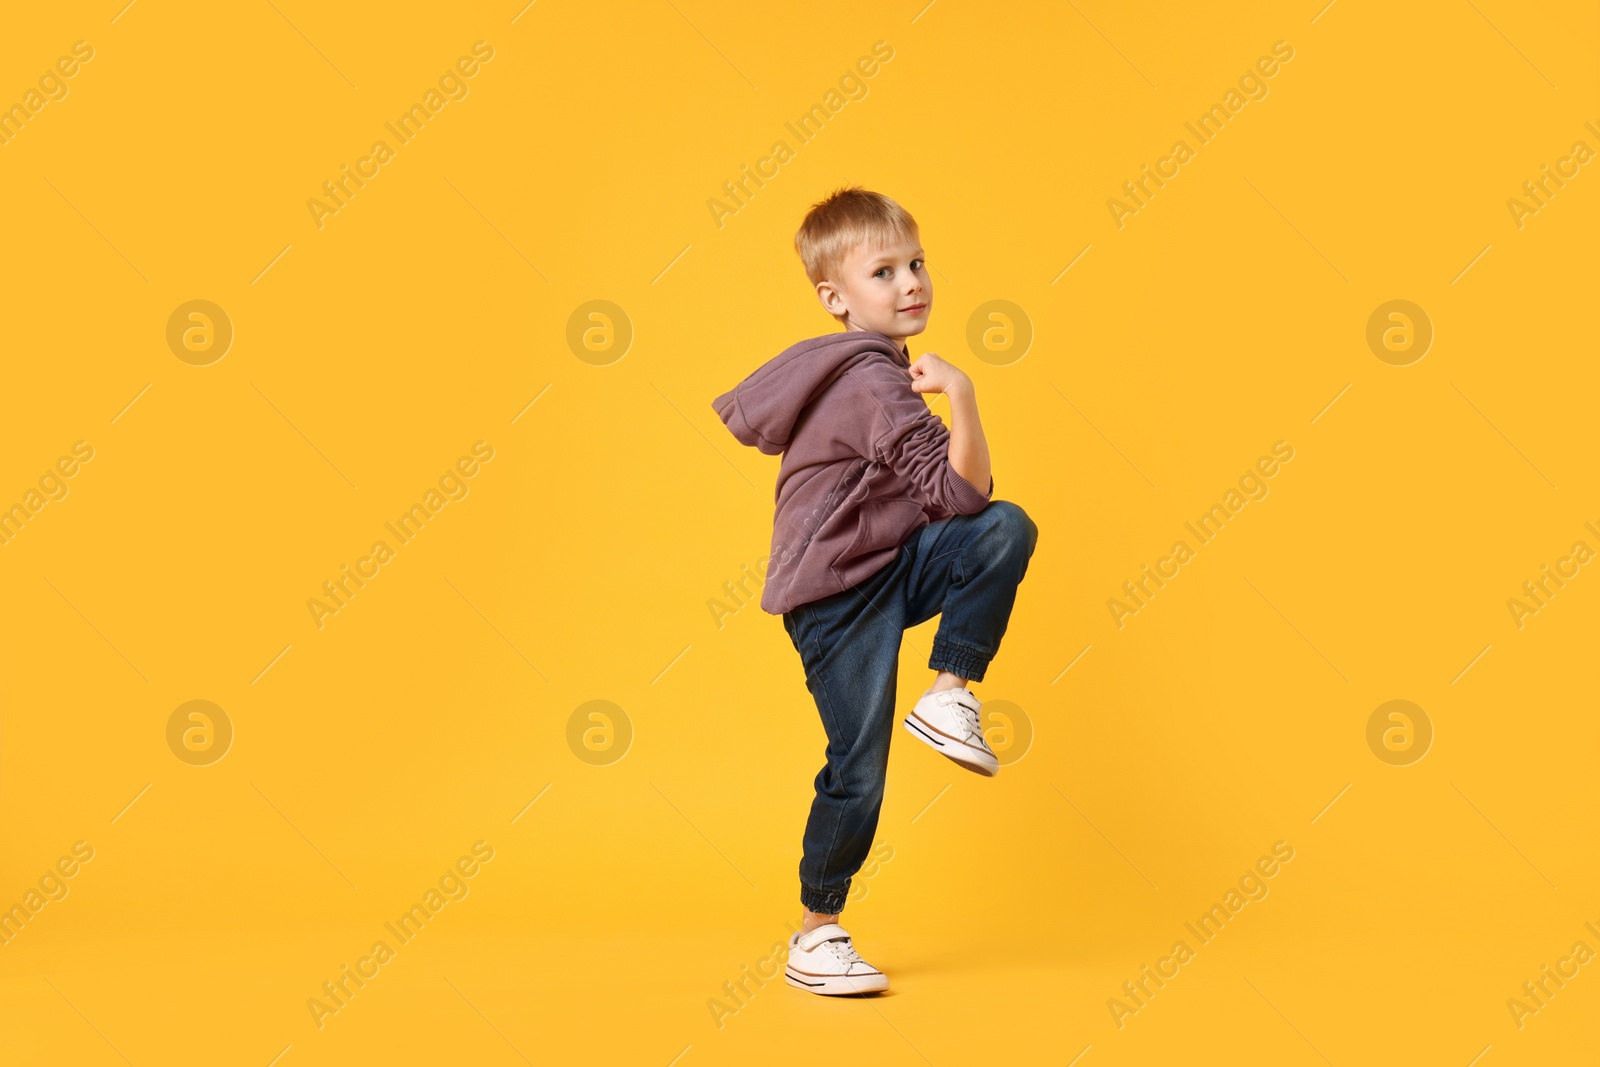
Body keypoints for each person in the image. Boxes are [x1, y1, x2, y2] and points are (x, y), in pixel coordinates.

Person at [711, 185, 1038, 995]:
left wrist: (956, 400)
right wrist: (962, 393)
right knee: (858, 764)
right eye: (883, 272)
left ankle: (949, 687)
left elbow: (960, 497)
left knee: (1005, 527)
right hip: (834, 601)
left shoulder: (885, 373)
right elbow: (959, 493)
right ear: (835, 299)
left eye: (916, 263)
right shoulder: (868, 381)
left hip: (888, 567)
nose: (910, 283)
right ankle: (815, 934)